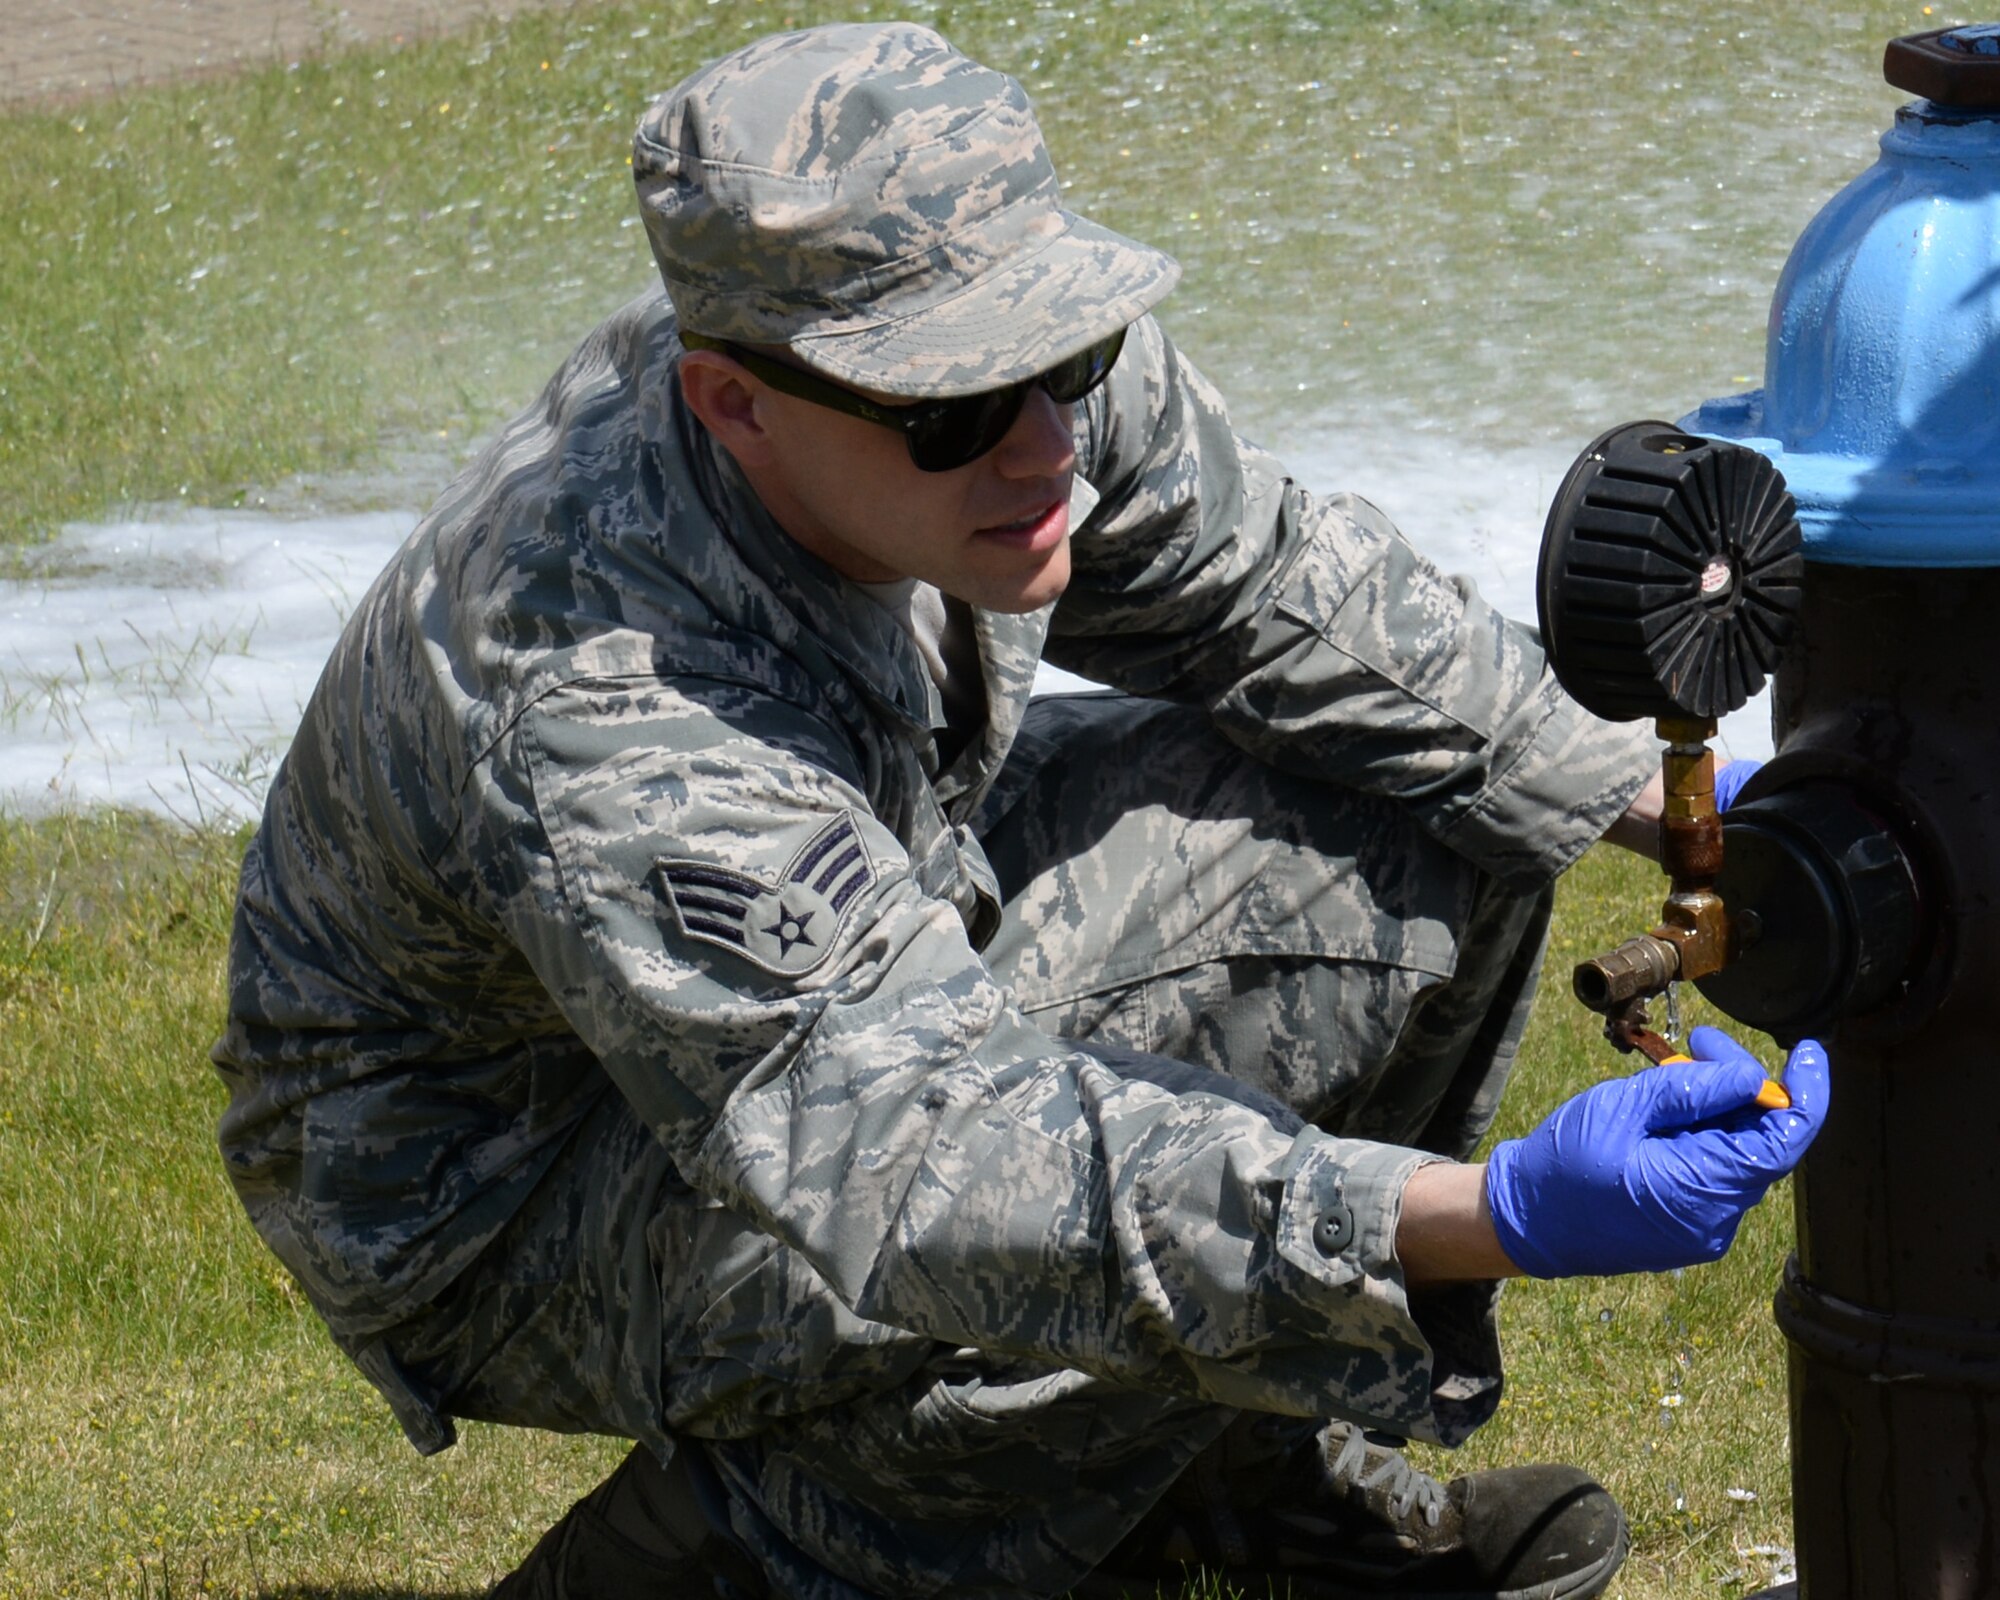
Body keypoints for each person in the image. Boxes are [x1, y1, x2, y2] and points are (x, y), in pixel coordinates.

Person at [210, 22, 1827, 1600]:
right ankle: (751, 1549)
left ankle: (1221, 1475)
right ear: (732, 405)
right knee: (1038, 1218)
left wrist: (1670, 808)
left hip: (836, 966)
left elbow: (1263, 584)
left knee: (1436, 814)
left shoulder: (958, 350)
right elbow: (932, 1164)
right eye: (958, 409)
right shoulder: (606, 703)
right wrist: (1482, 1220)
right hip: (510, 1178)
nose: (1050, 442)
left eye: (1066, 359)